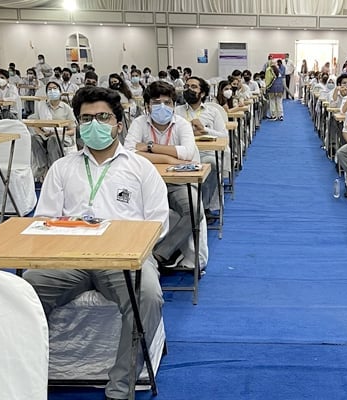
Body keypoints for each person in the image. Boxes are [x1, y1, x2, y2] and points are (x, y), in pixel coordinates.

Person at [23, 86, 169, 400]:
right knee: (24, 288)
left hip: (124, 259)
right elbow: (43, 219)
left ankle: (121, 385)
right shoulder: (63, 168)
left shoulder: (140, 168)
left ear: (119, 123)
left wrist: (125, 242)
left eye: (102, 117)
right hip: (69, 258)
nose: (94, 124)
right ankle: (24, 373)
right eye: (86, 118)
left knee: (148, 295)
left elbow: (159, 223)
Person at [124, 81, 201, 269]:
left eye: (167, 102)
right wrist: (168, 159)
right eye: (156, 102)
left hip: (176, 183)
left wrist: (150, 148)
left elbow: (187, 153)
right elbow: (128, 152)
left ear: (174, 105)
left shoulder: (181, 124)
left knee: (194, 210)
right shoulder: (139, 123)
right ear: (147, 105)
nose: (162, 107)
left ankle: (160, 254)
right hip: (144, 185)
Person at [176, 76, 228, 212]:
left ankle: (203, 207)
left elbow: (224, 136)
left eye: (193, 87)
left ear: (203, 93)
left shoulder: (213, 112)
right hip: (182, 155)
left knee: (213, 164)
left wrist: (205, 130)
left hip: (206, 153)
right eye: (186, 86)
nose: (189, 89)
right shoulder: (177, 112)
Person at [28, 81, 76, 181]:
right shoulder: (42, 107)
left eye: (55, 88)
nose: (52, 91)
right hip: (45, 135)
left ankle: (54, 168)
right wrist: (41, 133)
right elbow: (35, 125)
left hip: (63, 136)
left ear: (60, 91)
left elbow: (72, 130)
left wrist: (57, 133)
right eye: (49, 89)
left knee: (53, 139)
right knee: (34, 138)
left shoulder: (66, 108)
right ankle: (43, 167)